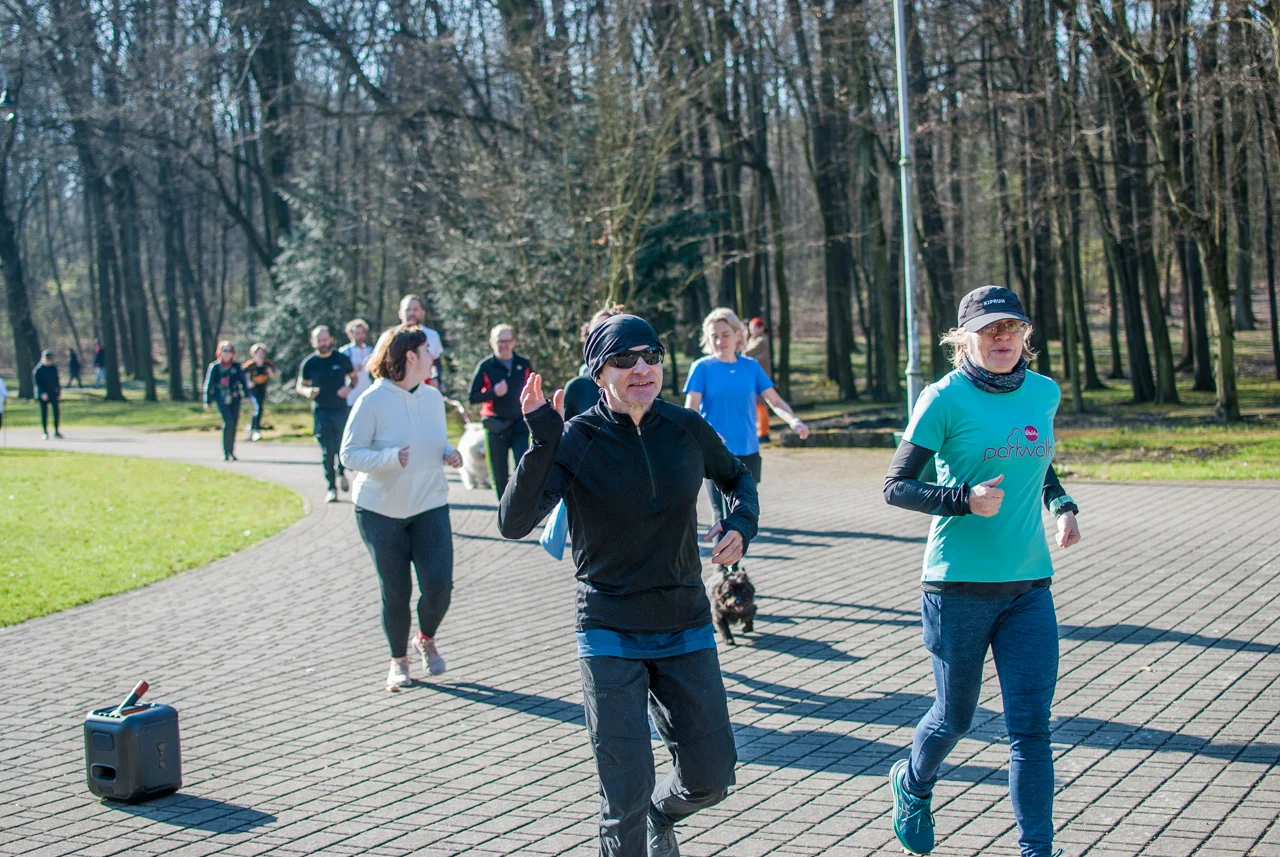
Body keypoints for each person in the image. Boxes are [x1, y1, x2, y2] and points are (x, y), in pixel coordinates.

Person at [499, 314, 759, 857]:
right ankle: (638, 824)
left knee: (712, 776)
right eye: (624, 359)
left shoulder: (685, 427)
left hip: (684, 624)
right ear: (599, 373)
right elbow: (514, 521)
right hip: (610, 628)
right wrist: (542, 439)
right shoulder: (577, 438)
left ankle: (662, 817)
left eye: (651, 355)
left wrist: (739, 524)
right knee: (625, 794)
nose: (641, 368)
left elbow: (736, 475)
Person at [882, 285, 1081, 857]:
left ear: (1026, 336)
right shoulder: (943, 398)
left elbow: (1036, 461)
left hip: (1028, 587)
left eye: (1012, 328)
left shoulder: (1044, 393)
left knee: (1031, 729)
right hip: (957, 586)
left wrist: (1061, 504)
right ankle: (914, 783)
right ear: (965, 337)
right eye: (990, 330)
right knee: (954, 719)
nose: (1002, 339)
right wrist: (962, 498)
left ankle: (1035, 850)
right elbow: (896, 486)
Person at [341, 324, 463, 690]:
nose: (433, 356)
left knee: (440, 586)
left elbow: (434, 440)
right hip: (380, 512)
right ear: (410, 356)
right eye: (427, 350)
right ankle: (398, 661)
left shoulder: (432, 398)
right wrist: (391, 458)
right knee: (396, 592)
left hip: (429, 504)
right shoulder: (372, 400)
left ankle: (425, 638)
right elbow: (349, 454)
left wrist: (448, 452)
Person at [684, 308, 808, 549]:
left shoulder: (750, 367)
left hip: (748, 452)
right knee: (721, 514)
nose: (720, 341)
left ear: (738, 335)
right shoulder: (701, 368)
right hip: (715, 454)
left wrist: (794, 420)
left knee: (742, 512)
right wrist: (707, 434)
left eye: (725, 334)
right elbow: (691, 411)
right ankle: (725, 573)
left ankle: (736, 567)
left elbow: (775, 401)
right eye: (714, 336)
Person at [468, 324, 533, 499]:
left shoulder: (523, 364)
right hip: (496, 424)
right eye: (499, 341)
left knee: (523, 466)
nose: (503, 345)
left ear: (514, 342)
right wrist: (493, 393)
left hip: (519, 423)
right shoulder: (485, 366)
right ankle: (503, 509)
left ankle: (520, 506)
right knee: (499, 472)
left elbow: (533, 389)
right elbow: (472, 397)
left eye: (507, 341)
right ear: (491, 342)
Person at [297, 326, 356, 503]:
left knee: (341, 447)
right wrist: (307, 392)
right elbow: (300, 385)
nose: (323, 343)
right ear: (313, 342)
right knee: (327, 451)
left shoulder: (342, 359)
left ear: (331, 339)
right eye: (319, 340)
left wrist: (349, 388)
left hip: (340, 409)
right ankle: (331, 487)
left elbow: (354, 378)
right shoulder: (309, 363)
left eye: (325, 339)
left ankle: (342, 471)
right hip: (321, 411)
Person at [563, 304, 626, 420]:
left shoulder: (641, 378)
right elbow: (565, 435)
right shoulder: (576, 388)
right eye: (598, 332)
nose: (605, 338)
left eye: (610, 330)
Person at [203, 341, 248, 461]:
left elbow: (243, 382)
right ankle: (225, 451)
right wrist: (207, 400)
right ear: (220, 352)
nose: (227, 353)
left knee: (233, 424)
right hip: (221, 398)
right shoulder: (215, 367)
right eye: (224, 350)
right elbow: (209, 384)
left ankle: (231, 451)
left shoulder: (237, 366)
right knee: (228, 422)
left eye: (229, 350)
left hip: (234, 397)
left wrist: (247, 396)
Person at [397, 295, 446, 387]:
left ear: (423, 313)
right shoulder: (390, 336)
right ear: (400, 313)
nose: (412, 313)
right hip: (398, 388)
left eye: (415, 310)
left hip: (424, 388)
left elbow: (436, 362)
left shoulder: (432, 336)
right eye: (408, 310)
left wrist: (436, 379)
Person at [743, 318, 771, 443]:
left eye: (753, 327)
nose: (751, 330)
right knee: (756, 405)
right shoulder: (753, 340)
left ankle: (763, 432)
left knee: (761, 406)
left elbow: (747, 353)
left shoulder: (761, 341)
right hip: (753, 377)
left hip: (760, 377)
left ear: (760, 328)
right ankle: (759, 431)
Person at [242, 344, 276, 442]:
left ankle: (252, 428)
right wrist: (248, 382)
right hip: (253, 390)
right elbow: (241, 376)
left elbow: (274, 375)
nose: (260, 355)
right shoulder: (249, 365)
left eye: (262, 353)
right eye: (258, 353)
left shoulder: (268, 364)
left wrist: (270, 373)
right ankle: (256, 429)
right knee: (258, 408)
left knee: (259, 408)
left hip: (262, 389)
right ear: (254, 354)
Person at [340, 319, 375, 407]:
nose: (360, 336)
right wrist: (353, 371)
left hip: (367, 391)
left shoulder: (370, 350)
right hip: (352, 395)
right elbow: (340, 373)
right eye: (357, 333)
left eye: (362, 333)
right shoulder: (345, 351)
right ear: (351, 335)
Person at [33, 351, 63, 440]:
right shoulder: (38, 370)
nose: (49, 361)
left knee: (56, 412)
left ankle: (56, 431)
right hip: (43, 394)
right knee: (44, 413)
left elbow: (57, 380)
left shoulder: (53, 368)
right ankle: (45, 432)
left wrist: (59, 392)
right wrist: (42, 393)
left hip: (53, 393)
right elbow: (37, 383)